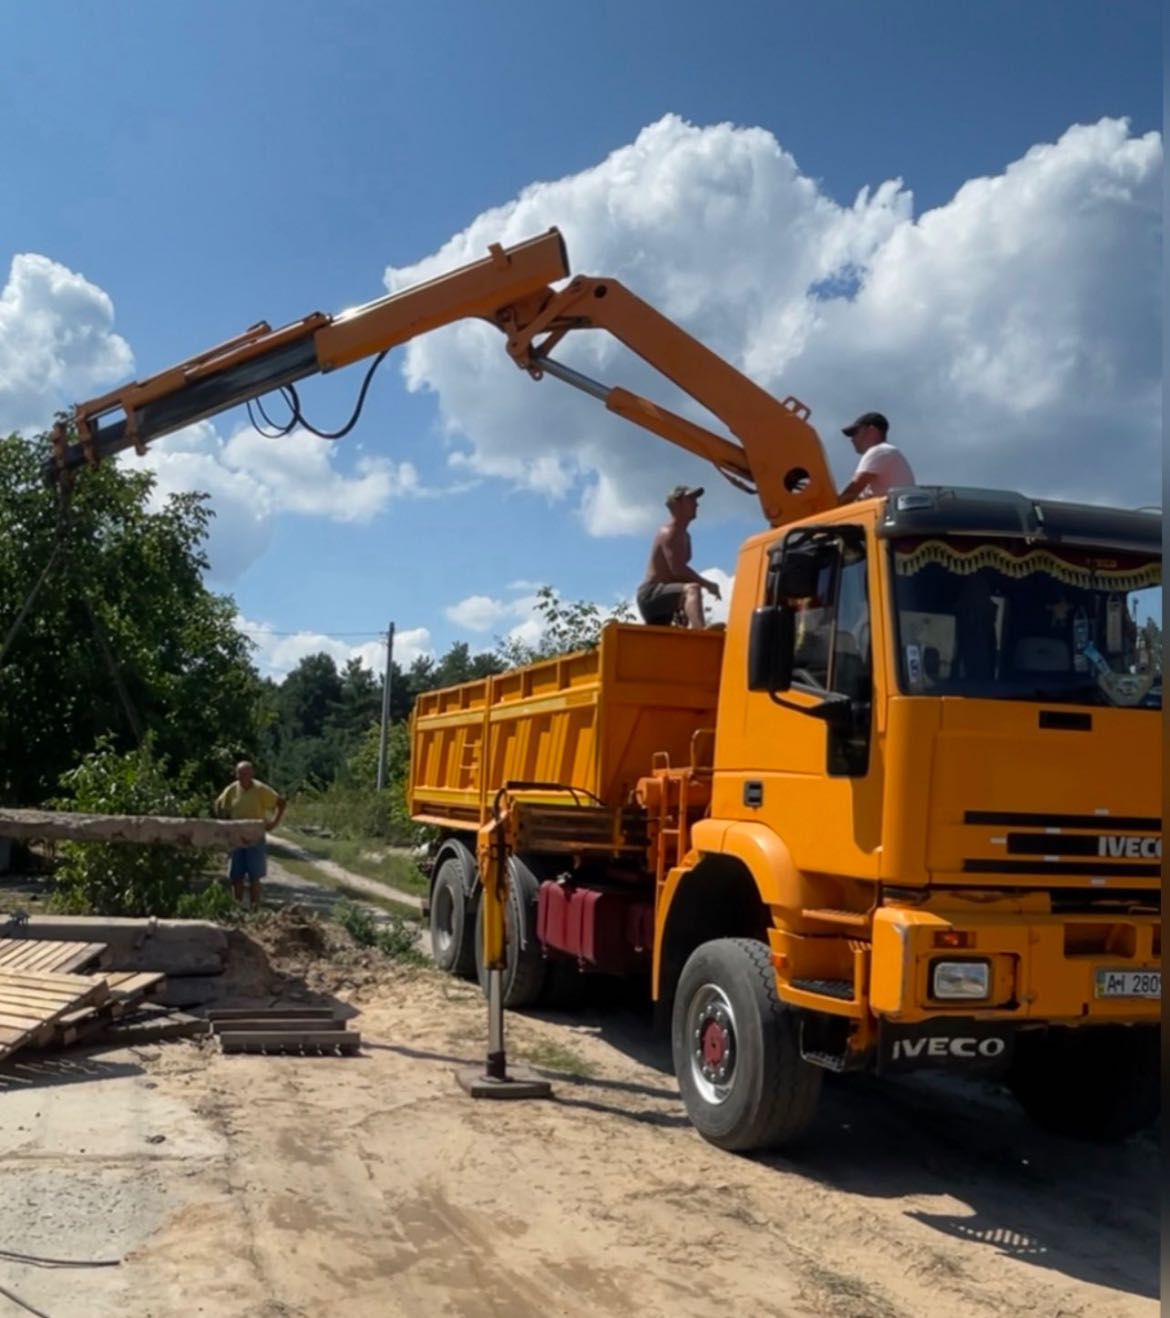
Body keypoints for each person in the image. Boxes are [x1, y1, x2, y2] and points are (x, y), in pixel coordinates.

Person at [636, 484, 722, 628]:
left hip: (666, 597)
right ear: (676, 504)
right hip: (651, 594)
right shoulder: (668, 532)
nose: (696, 504)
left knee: (666, 639)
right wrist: (708, 584)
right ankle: (701, 634)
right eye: (690, 500)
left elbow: (678, 576)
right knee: (693, 589)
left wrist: (683, 605)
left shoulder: (686, 536)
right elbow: (678, 570)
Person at [214, 761, 286, 908]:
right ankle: (237, 908)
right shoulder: (232, 789)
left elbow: (281, 802)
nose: (243, 777)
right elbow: (218, 804)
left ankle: (255, 909)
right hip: (236, 835)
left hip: (255, 835)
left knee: (255, 875)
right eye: (240, 774)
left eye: (246, 774)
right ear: (236, 774)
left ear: (252, 774)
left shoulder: (260, 789)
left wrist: (273, 823)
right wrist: (223, 822)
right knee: (236, 876)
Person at [837, 412, 915, 503]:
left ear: (871, 431)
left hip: (886, 514)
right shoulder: (888, 452)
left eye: (854, 433)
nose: (852, 439)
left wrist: (829, 509)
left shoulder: (879, 451)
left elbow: (852, 491)